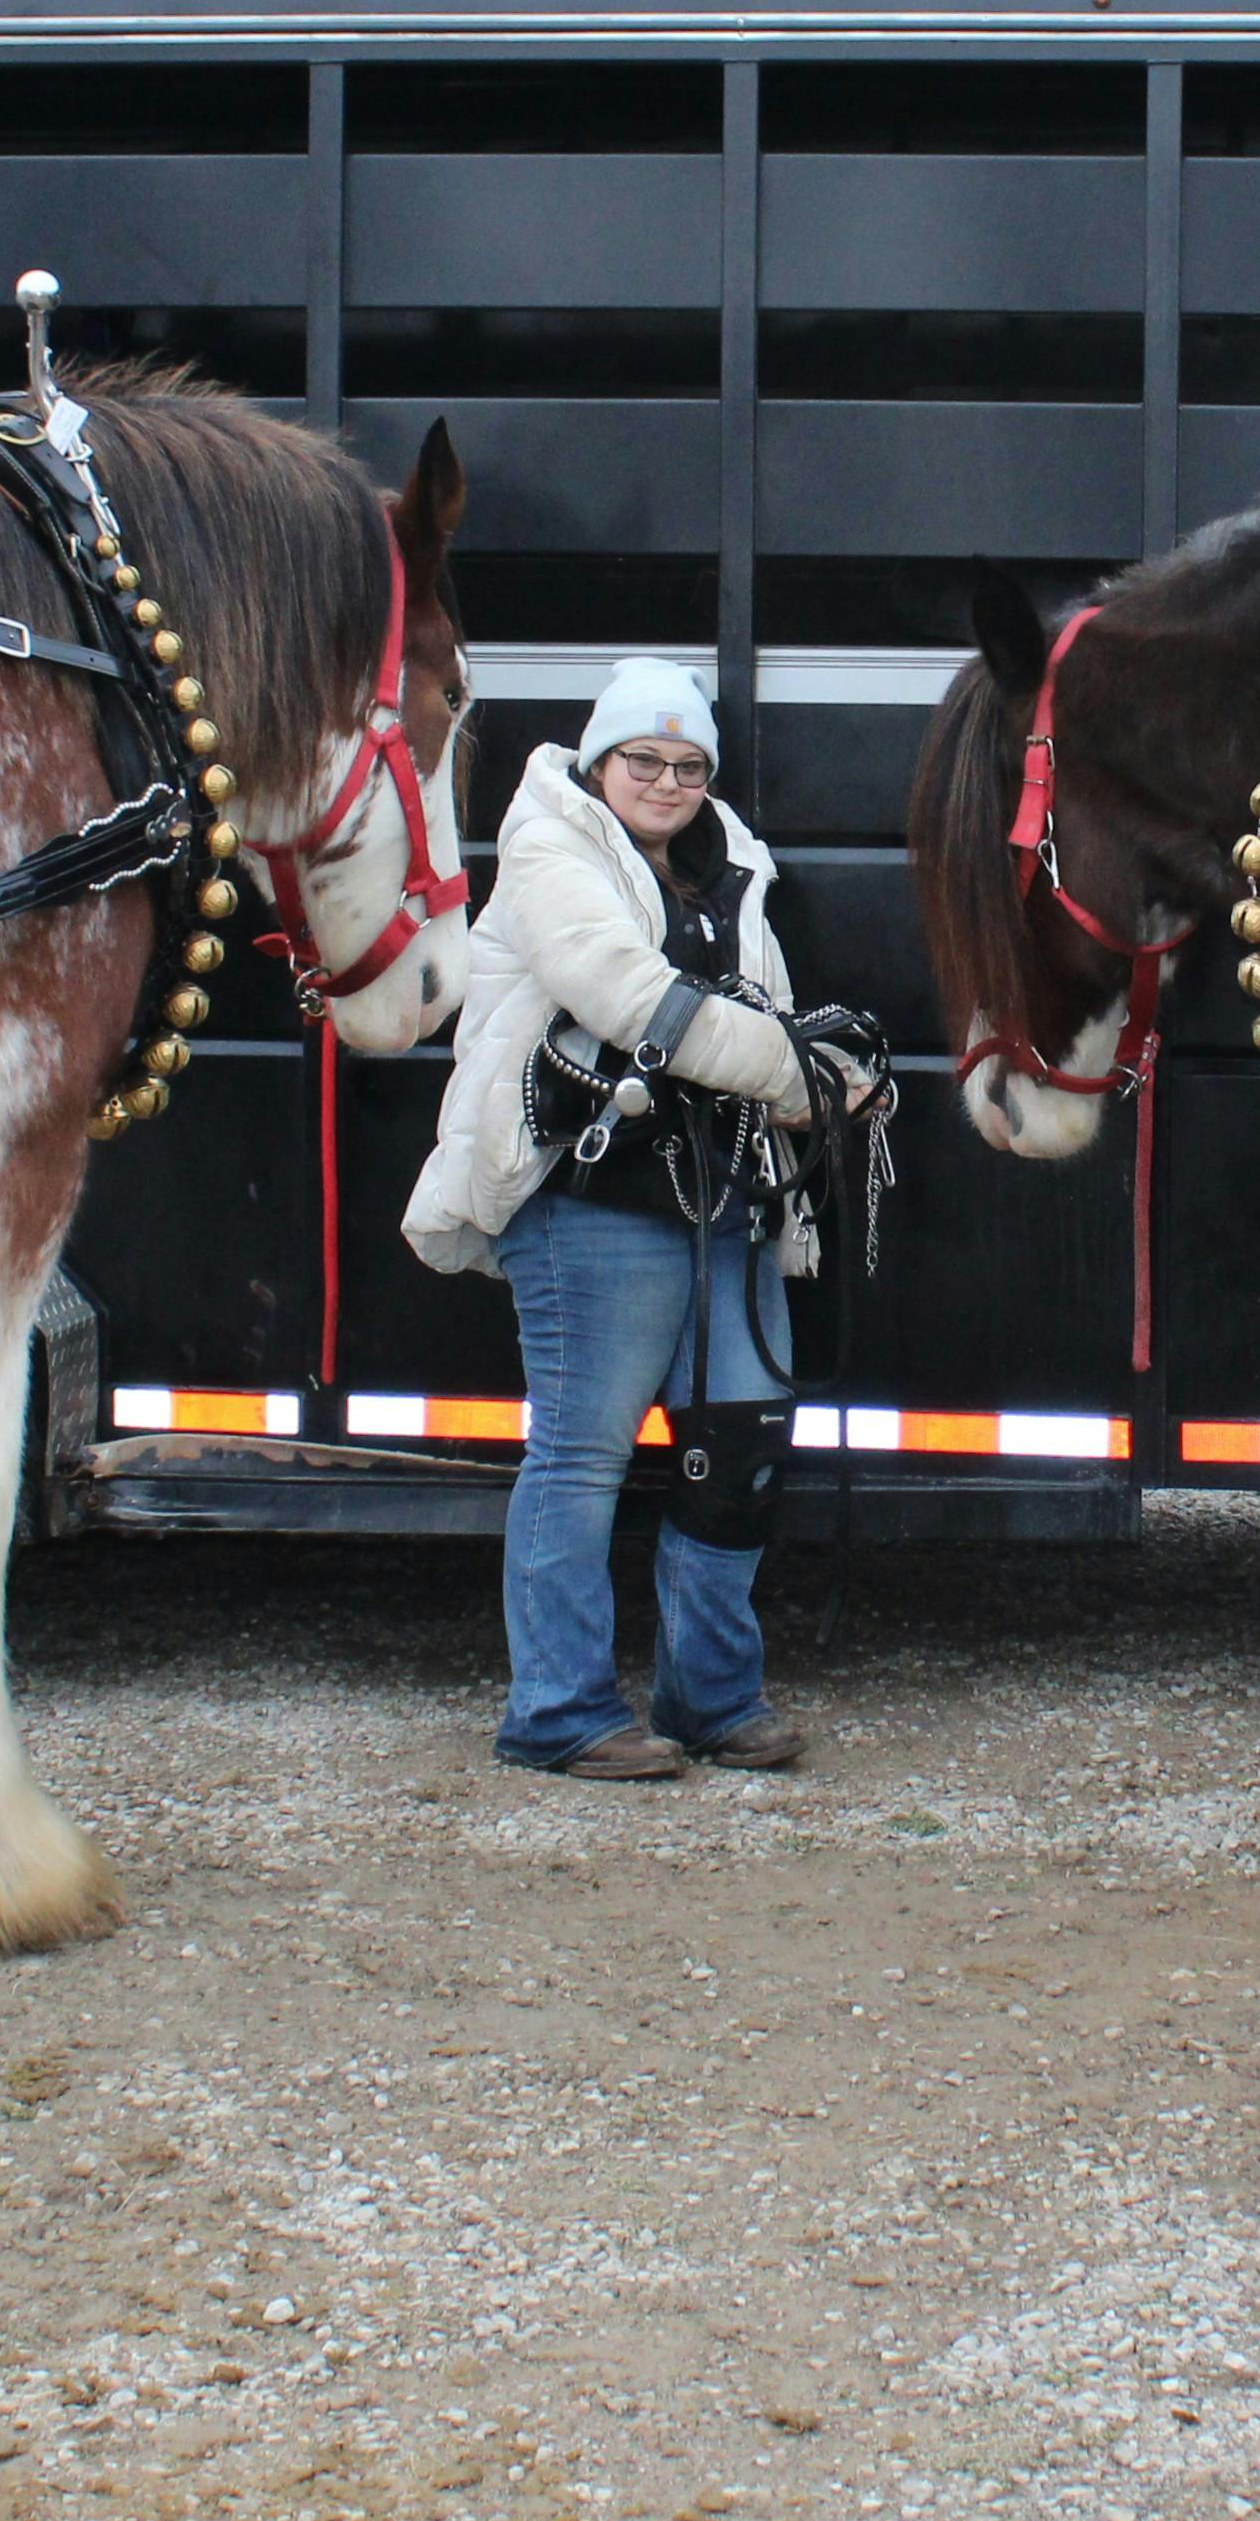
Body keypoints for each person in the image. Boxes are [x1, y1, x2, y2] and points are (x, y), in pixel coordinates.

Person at [403, 658, 864, 1780]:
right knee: (580, 1454)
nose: (665, 779)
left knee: (739, 1448)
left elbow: (770, 1009)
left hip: (724, 1200)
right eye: (642, 759)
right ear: (599, 760)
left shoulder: (732, 867)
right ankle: (557, 1711)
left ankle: (711, 1697)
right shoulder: (546, 845)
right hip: (586, 1197)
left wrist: (831, 1067)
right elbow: (623, 994)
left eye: (687, 763)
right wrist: (804, 1081)